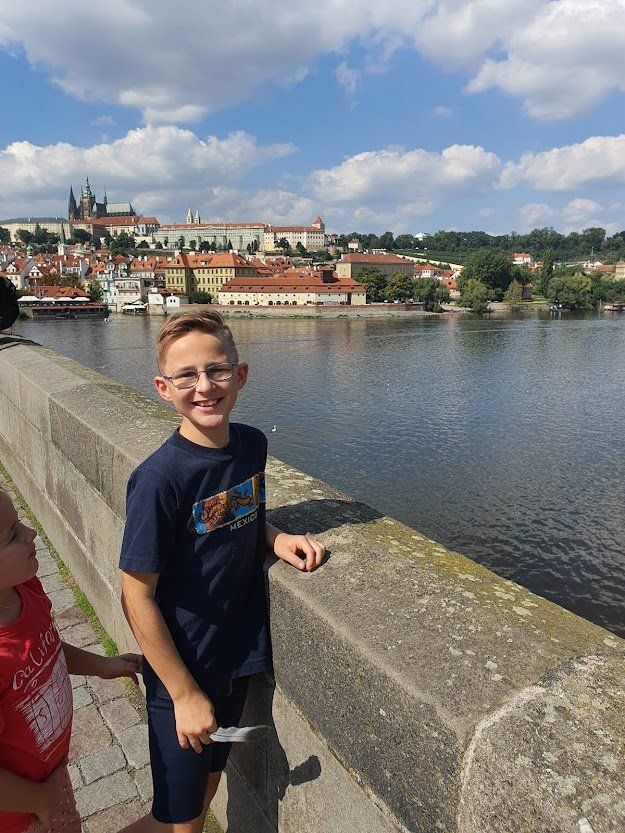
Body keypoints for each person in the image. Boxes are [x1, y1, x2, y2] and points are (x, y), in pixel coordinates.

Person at [118, 310, 325, 833]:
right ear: (164, 388)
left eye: (217, 370)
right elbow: (135, 595)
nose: (205, 386)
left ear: (241, 375)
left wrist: (274, 536)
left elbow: (232, 513)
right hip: (184, 671)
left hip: (235, 659)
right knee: (178, 822)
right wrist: (183, 694)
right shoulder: (159, 479)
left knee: (205, 790)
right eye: (187, 375)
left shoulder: (251, 444)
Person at [0, 486, 142, 833]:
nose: (30, 533)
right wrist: (39, 800)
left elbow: (47, 649)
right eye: (12, 535)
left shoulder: (26, 588)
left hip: (50, 780)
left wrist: (103, 666)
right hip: (20, 812)